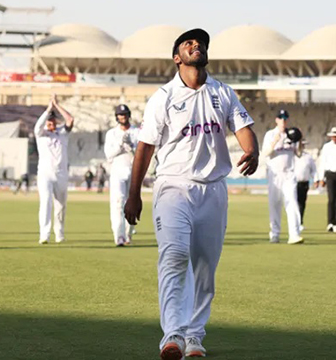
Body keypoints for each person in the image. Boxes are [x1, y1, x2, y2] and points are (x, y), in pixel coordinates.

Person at [124, 28, 259, 360]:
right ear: (176, 57)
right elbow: (145, 148)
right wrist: (134, 193)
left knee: (204, 267)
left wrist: (252, 150)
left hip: (213, 190)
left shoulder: (223, 92)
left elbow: (242, 127)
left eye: (200, 43)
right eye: (188, 43)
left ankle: (195, 337)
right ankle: (172, 335)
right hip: (173, 186)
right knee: (174, 257)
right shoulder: (164, 97)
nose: (196, 45)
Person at [34, 94, 74, 244]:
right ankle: (44, 234)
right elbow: (37, 126)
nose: (51, 124)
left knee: (60, 206)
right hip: (45, 173)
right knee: (45, 202)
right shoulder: (41, 135)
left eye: (53, 121)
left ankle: (59, 233)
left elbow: (70, 120)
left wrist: (57, 106)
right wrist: (48, 110)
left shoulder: (62, 134)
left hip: (61, 174)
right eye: (49, 122)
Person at [262, 109, 303, 244]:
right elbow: (266, 153)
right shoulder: (270, 134)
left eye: (285, 118)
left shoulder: (292, 134)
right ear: (276, 120)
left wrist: (300, 141)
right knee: (275, 204)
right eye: (281, 118)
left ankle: (294, 234)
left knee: (292, 203)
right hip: (274, 174)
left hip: (289, 174)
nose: (283, 121)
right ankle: (275, 233)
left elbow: (298, 154)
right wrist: (275, 141)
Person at [104, 104, 140, 246]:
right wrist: (120, 145)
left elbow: (140, 154)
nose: (122, 117)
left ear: (128, 115)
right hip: (117, 171)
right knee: (118, 203)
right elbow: (108, 155)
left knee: (132, 202)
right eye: (120, 115)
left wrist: (132, 146)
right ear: (116, 117)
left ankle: (128, 235)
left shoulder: (136, 132)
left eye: (124, 114)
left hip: (133, 172)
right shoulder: (111, 133)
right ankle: (118, 236)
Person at [294, 136, 317, 230]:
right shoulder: (291, 155)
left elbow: (313, 170)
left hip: (304, 183)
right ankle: (293, 222)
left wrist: (316, 180)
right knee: (293, 203)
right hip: (293, 182)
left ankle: (300, 222)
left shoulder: (308, 157)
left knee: (302, 203)